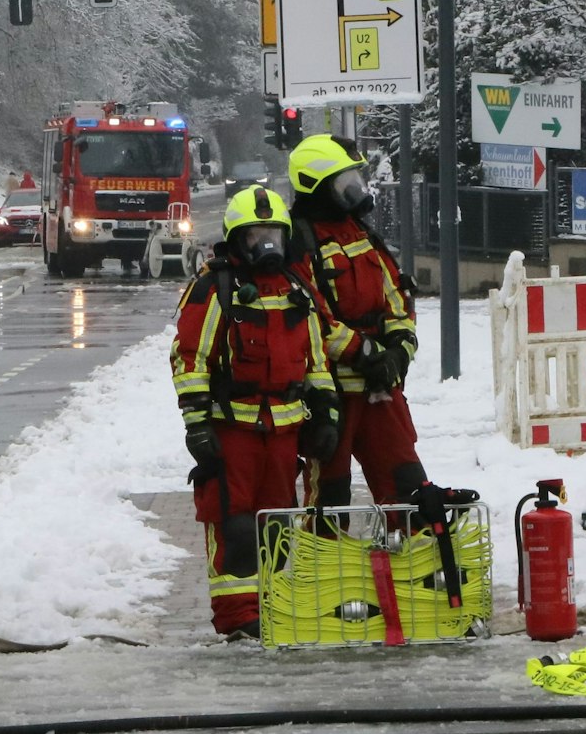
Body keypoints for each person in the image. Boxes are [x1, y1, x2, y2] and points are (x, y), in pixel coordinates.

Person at [170, 186, 341, 640]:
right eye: (256, 236)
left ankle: (272, 608)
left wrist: (325, 413)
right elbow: (190, 358)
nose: (267, 245)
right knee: (236, 528)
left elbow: (316, 360)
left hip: (284, 431)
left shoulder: (297, 290)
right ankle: (237, 620)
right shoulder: (214, 287)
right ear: (236, 239)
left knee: (279, 525)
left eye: (273, 235)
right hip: (233, 430)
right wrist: (197, 426)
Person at [287, 135, 466, 517]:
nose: (356, 188)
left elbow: (396, 294)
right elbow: (313, 319)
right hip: (332, 396)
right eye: (344, 181)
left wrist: (401, 346)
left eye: (355, 177)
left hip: (380, 392)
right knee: (328, 502)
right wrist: (364, 353)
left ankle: (415, 572)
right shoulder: (299, 243)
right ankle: (321, 575)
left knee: (409, 489)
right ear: (317, 185)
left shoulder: (362, 234)